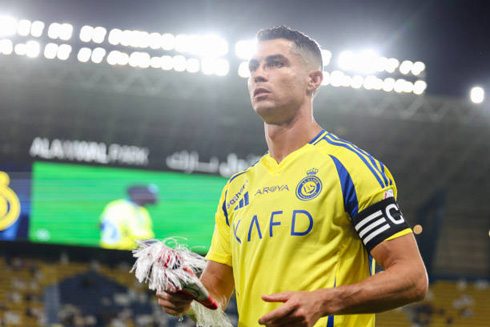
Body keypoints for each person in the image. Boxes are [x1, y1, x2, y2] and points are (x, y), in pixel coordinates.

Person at [157, 26, 428, 327]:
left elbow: (413, 277)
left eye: (275, 63)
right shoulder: (236, 189)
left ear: (314, 80)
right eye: (253, 68)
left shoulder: (350, 167)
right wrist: (185, 298)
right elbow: (216, 291)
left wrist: (324, 301)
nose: (259, 74)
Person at [100, 184, 158, 250]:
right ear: (139, 195)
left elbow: (101, 224)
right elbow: (139, 236)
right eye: (150, 194)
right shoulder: (128, 209)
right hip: (120, 250)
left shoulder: (116, 205)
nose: (154, 196)